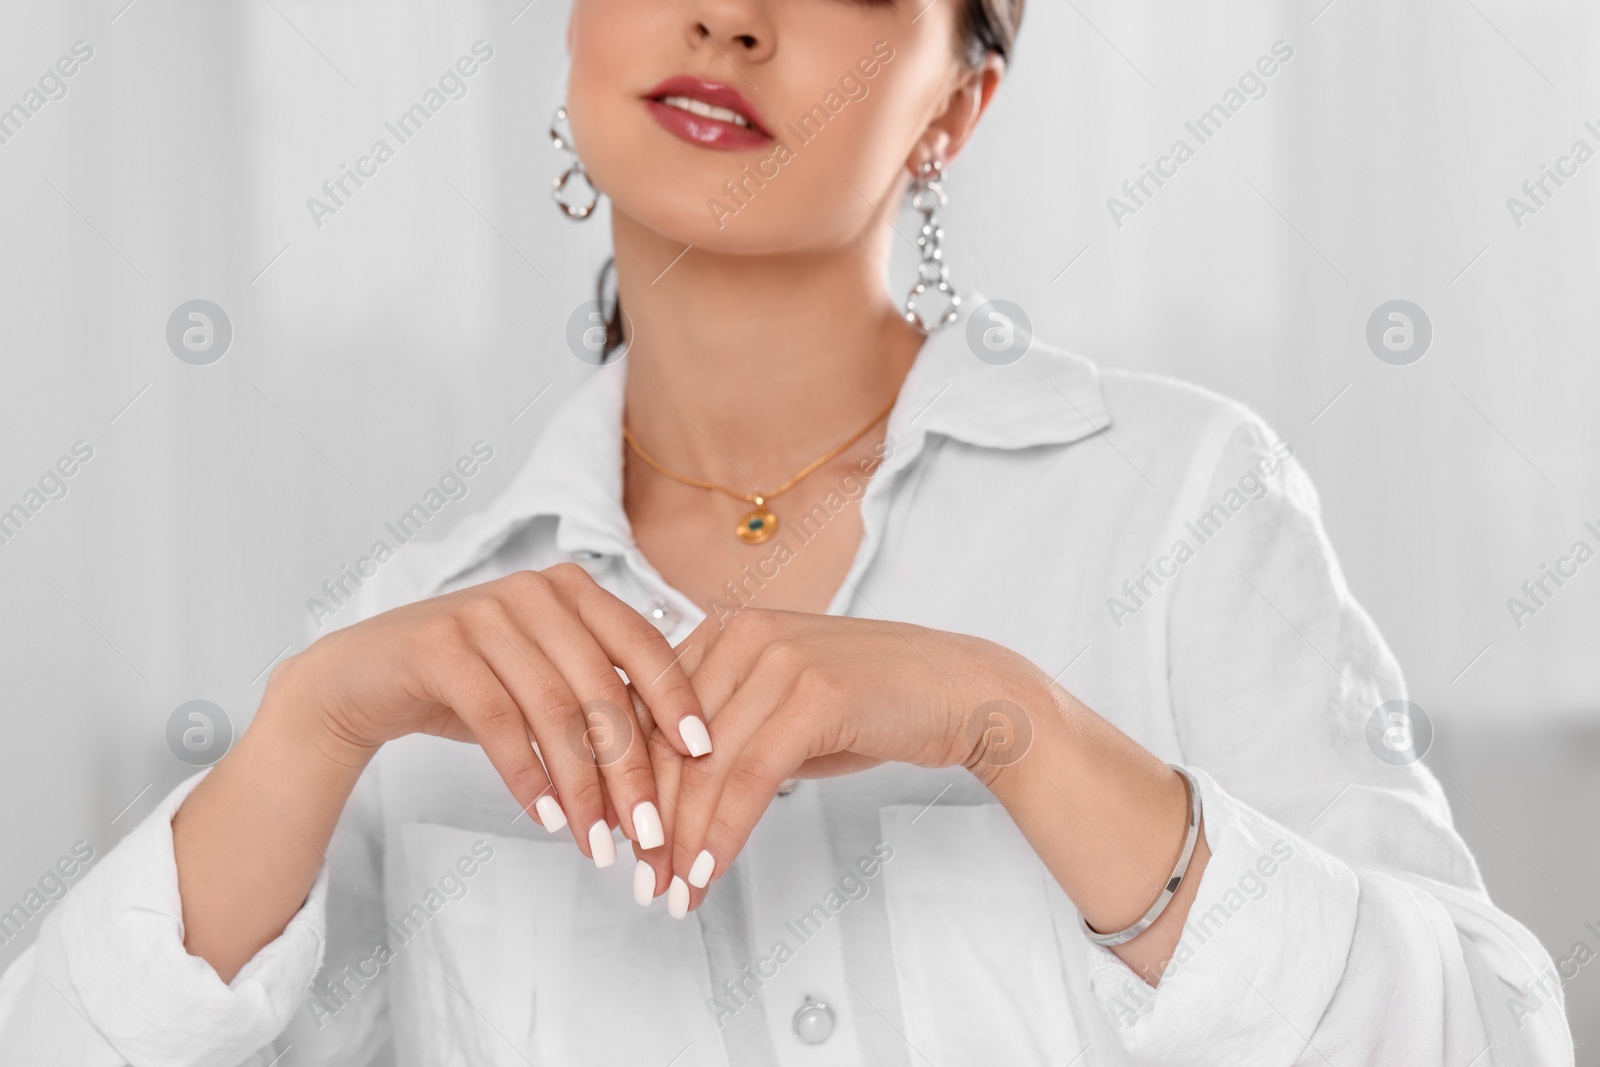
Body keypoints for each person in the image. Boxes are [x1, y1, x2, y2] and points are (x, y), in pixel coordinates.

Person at [0, 0, 1575, 1063]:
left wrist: (1012, 729)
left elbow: (1487, 1039)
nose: (733, 15)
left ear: (956, 102)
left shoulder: (1179, 500)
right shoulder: (412, 645)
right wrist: (307, 726)